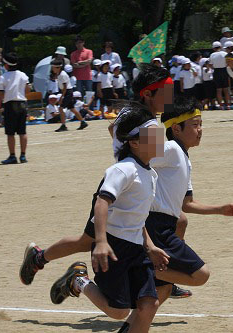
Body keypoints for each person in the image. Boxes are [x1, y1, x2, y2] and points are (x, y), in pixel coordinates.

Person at [118, 95, 233, 332]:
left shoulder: (183, 157)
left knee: (162, 291)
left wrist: (220, 210)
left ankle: (130, 327)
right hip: (156, 226)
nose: (200, 130)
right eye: (195, 125)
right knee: (201, 275)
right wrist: (128, 131)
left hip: (164, 225)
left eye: (201, 124)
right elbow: (136, 153)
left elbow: (187, 204)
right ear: (176, 128)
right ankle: (142, 268)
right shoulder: (172, 149)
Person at [44, 107, 168, 333]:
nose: (160, 139)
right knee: (118, 311)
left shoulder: (151, 174)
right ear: (135, 143)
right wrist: (100, 241)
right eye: (153, 135)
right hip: (114, 247)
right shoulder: (123, 170)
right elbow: (101, 203)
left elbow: (137, 217)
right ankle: (78, 280)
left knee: (149, 304)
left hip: (137, 250)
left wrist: (149, 246)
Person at [0, 52, 30, 164]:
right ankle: (23, 156)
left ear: (6, 65)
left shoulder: (3, 77)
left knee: (10, 133)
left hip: (10, 104)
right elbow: (28, 88)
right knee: (22, 131)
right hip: (22, 103)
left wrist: (0, 104)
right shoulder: (23, 75)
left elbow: (0, 93)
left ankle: (12, 156)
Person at [50, 59, 89, 132]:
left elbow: (65, 87)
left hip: (67, 92)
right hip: (68, 92)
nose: (52, 69)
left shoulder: (62, 74)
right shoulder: (59, 74)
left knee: (61, 108)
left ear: (58, 67)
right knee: (72, 108)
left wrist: (62, 97)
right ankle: (83, 122)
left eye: (53, 67)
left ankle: (63, 125)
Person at [209, 41, 230, 109]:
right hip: (224, 70)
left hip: (217, 71)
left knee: (219, 89)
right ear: (220, 47)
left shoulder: (212, 55)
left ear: (214, 48)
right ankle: (228, 104)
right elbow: (227, 63)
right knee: (226, 89)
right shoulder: (224, 53)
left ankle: (221, 105)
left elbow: (211, 65)